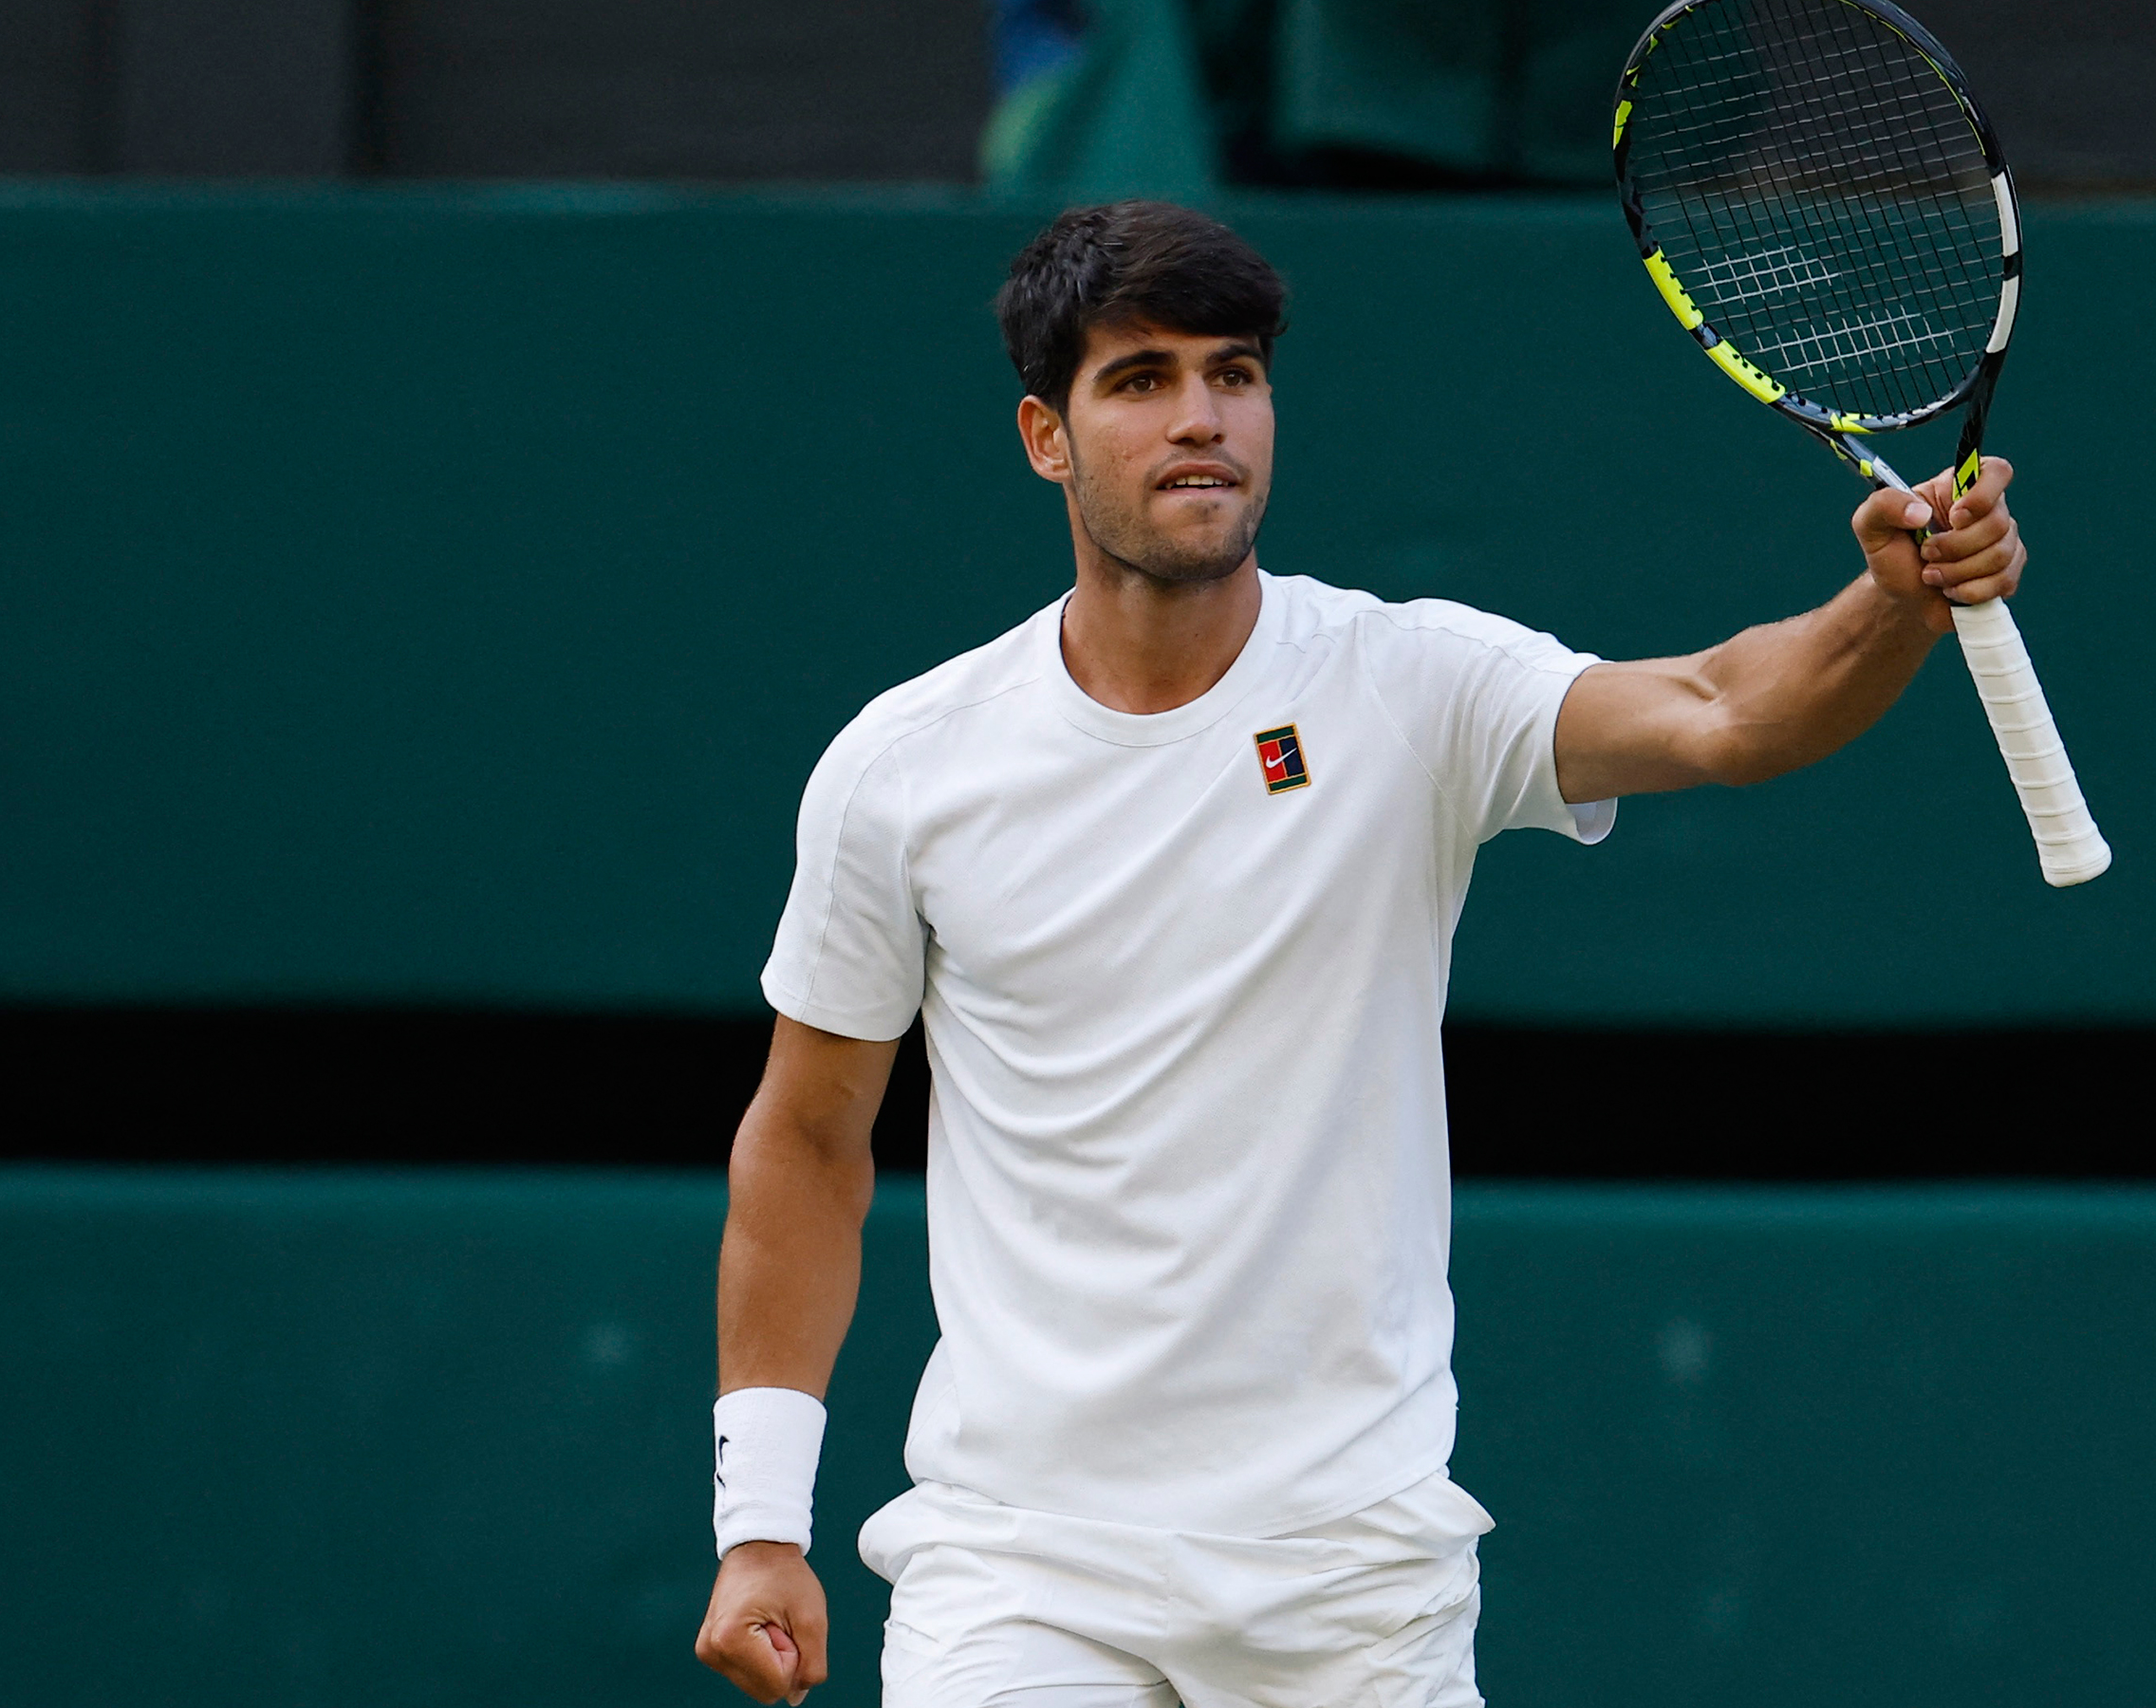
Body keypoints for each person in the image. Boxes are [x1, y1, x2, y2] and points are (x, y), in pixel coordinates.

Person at [693, 199, 2029, 1708]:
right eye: (1141, 381)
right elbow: (806, 1141)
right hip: (1024, 1569)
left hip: (1350, 1575)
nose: (1202, 419)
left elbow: (1725, 711)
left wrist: (1892, 607)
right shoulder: (906, 767)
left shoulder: (1410, 685)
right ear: (1044, 438)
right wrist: (761, 1521)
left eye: (1235, 373)